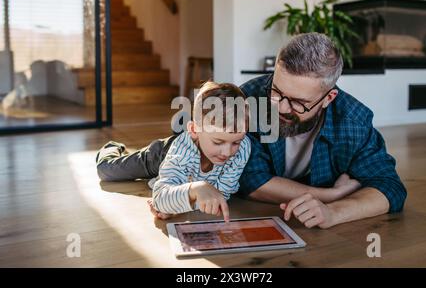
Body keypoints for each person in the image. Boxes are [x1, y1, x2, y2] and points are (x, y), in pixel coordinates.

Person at [238, 32, 407, 229]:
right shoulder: (249, 98)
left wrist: (334, 212)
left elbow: (390, 187)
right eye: (276, 91)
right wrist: (332, 195)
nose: (282, 108)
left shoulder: (353, 120)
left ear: (329, 98)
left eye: (299, 102)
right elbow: (250, 179)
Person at [96, 82, 251, 221]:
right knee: (107, 170)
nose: (227, 152)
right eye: (218, 142)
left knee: (175, 181)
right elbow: (160, 199)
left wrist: (176, 206)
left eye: (235, 142)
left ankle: (165, 178)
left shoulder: (242, 148)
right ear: (194, 130)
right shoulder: (180, 152)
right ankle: (112, 148)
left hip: (185, 171)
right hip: (161, 155)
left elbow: (219, 196)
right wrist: (193, 191)